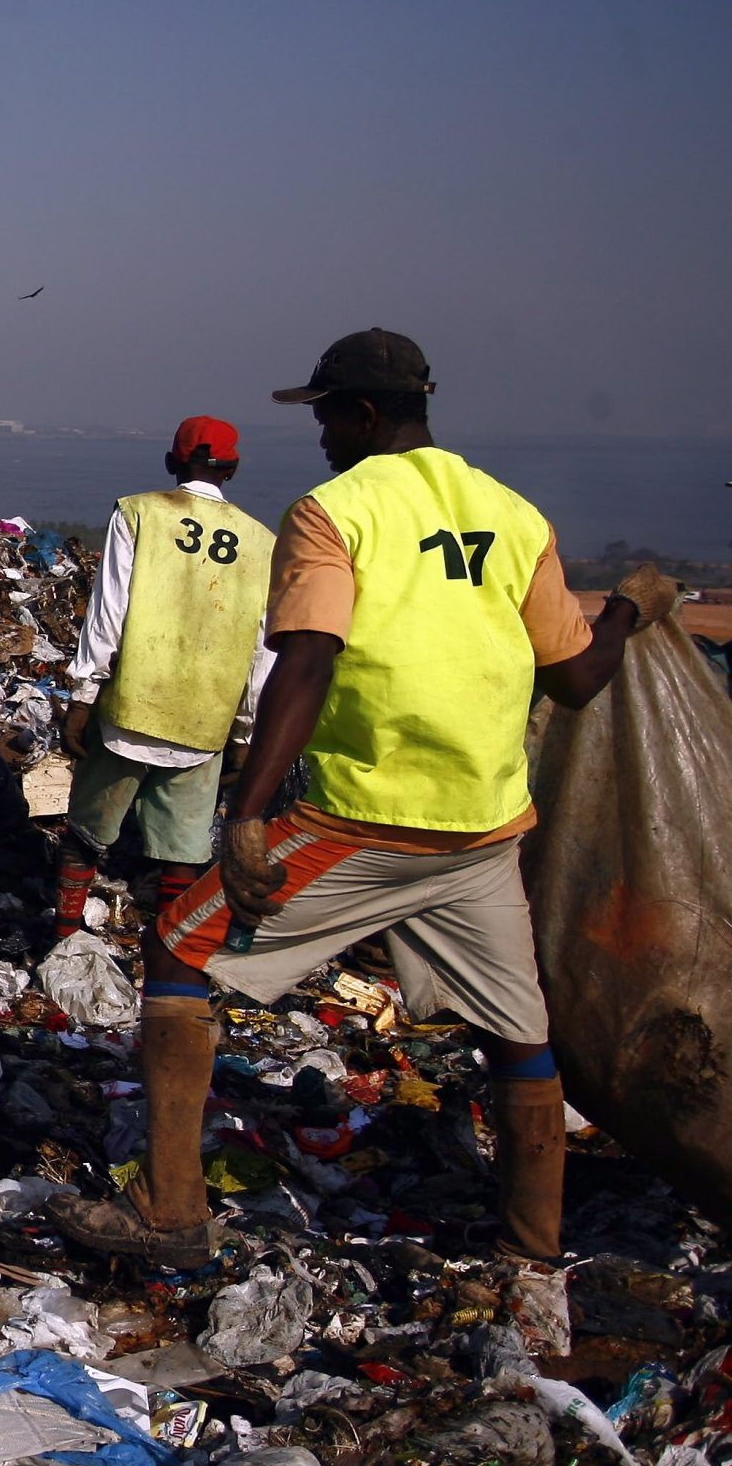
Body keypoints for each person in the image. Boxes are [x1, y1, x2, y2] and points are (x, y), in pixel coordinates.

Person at [49, 329, 682, 1268]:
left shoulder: (335, 511)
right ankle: (532, 1262)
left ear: (367, 414)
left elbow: (307, 659)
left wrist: (250, 813)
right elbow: (580, 676)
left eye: (328, 417)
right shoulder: (515, 515)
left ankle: (171, 1209)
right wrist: (629, 607)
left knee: (179, 946)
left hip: (363, 818)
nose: (321, 437)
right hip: (484, 832)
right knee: (520, 1034)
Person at [53, 417, 274, 937]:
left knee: (85, 836)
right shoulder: (262, 541)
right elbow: (262, 649)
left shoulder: (139, 512)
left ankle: (62, 940)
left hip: (130, 710)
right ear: (233, 469)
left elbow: (109, 610)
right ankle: (168, 952)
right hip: (205, 721)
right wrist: (246, 733)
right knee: (182, 854)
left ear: (172, 461)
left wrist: (83, 694)